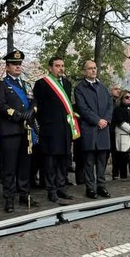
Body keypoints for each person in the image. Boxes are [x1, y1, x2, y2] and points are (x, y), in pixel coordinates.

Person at [0, 50, 39, 212]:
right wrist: (19, 115)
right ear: (7, 67)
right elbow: (0, 105)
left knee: (24, 166)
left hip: (26, 131)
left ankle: (24, 195)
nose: (18, 66)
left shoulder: (26, 84)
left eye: (19, 64)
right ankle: (9, 198)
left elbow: (34, 101)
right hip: (10, 131)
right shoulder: (2, 84)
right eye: (14, 64)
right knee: (9, 167)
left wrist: (32, 110)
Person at [33, 56, 78, 203]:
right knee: (50, 162)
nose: (61, 69)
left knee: (63, 161)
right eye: (57, 66)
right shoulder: (42, 84)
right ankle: (51, 190)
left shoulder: (67, 83)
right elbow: (39, 108)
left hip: (65, 129)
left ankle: (61, 187)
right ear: (50, 68)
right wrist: (46, 124)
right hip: (50, 130)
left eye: (62, 66)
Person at [74, 60, 113, 199]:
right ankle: (90, 188)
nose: (93, 71)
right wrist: (97, 120)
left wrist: (106, 120)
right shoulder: (80, 88)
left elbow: (110, 105)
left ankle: (101, 186)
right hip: (89, 129)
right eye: (90, 68)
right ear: (84, 71)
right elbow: (83, 109)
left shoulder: (103, 87)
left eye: (95, 68)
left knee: (102, 160)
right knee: (89, 161)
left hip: (103, 130)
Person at [109, 84, 122, 180]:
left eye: (119, 89)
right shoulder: (107, 102)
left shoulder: (119, 103)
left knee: (116, 154)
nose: (118, 91)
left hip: (116, 132)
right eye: (116, 89)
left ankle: (115, 173)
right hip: (108, 131)